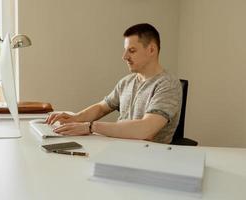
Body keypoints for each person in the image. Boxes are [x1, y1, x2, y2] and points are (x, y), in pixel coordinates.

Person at [46, 23, 182, 144]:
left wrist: (90, 127)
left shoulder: (168, 84)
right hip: (119, 149)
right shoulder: (127, 82)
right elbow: (101, 107)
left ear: (151, 50)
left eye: (132, 50)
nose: (124, 57)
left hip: (148, 158)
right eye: (125, 50)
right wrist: (75, 118)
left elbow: (146, 130)